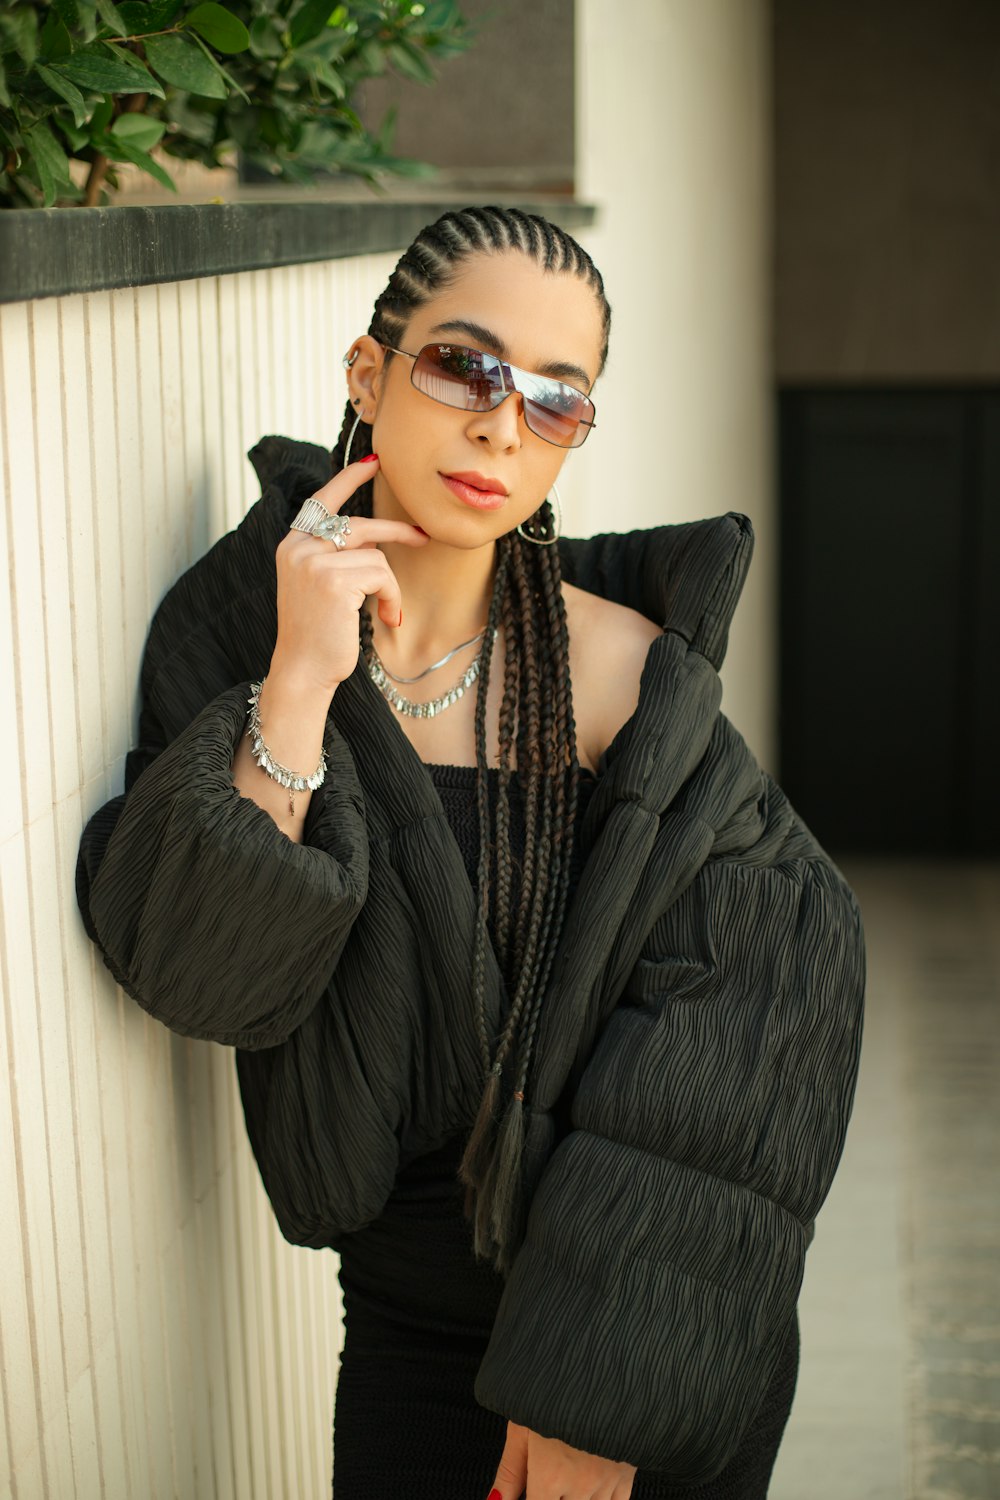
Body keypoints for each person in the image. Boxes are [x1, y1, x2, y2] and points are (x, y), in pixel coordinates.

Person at [76, 205, 866, 1500]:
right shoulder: (240, 637)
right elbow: (200, 980)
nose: (505, 423)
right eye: (465, 365)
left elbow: (769, 996)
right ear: (367, 373)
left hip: (628, 1334)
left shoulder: (627, 678)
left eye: (560, 398)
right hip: (404, 1325)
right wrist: (294, 692)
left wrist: (596, 1397)